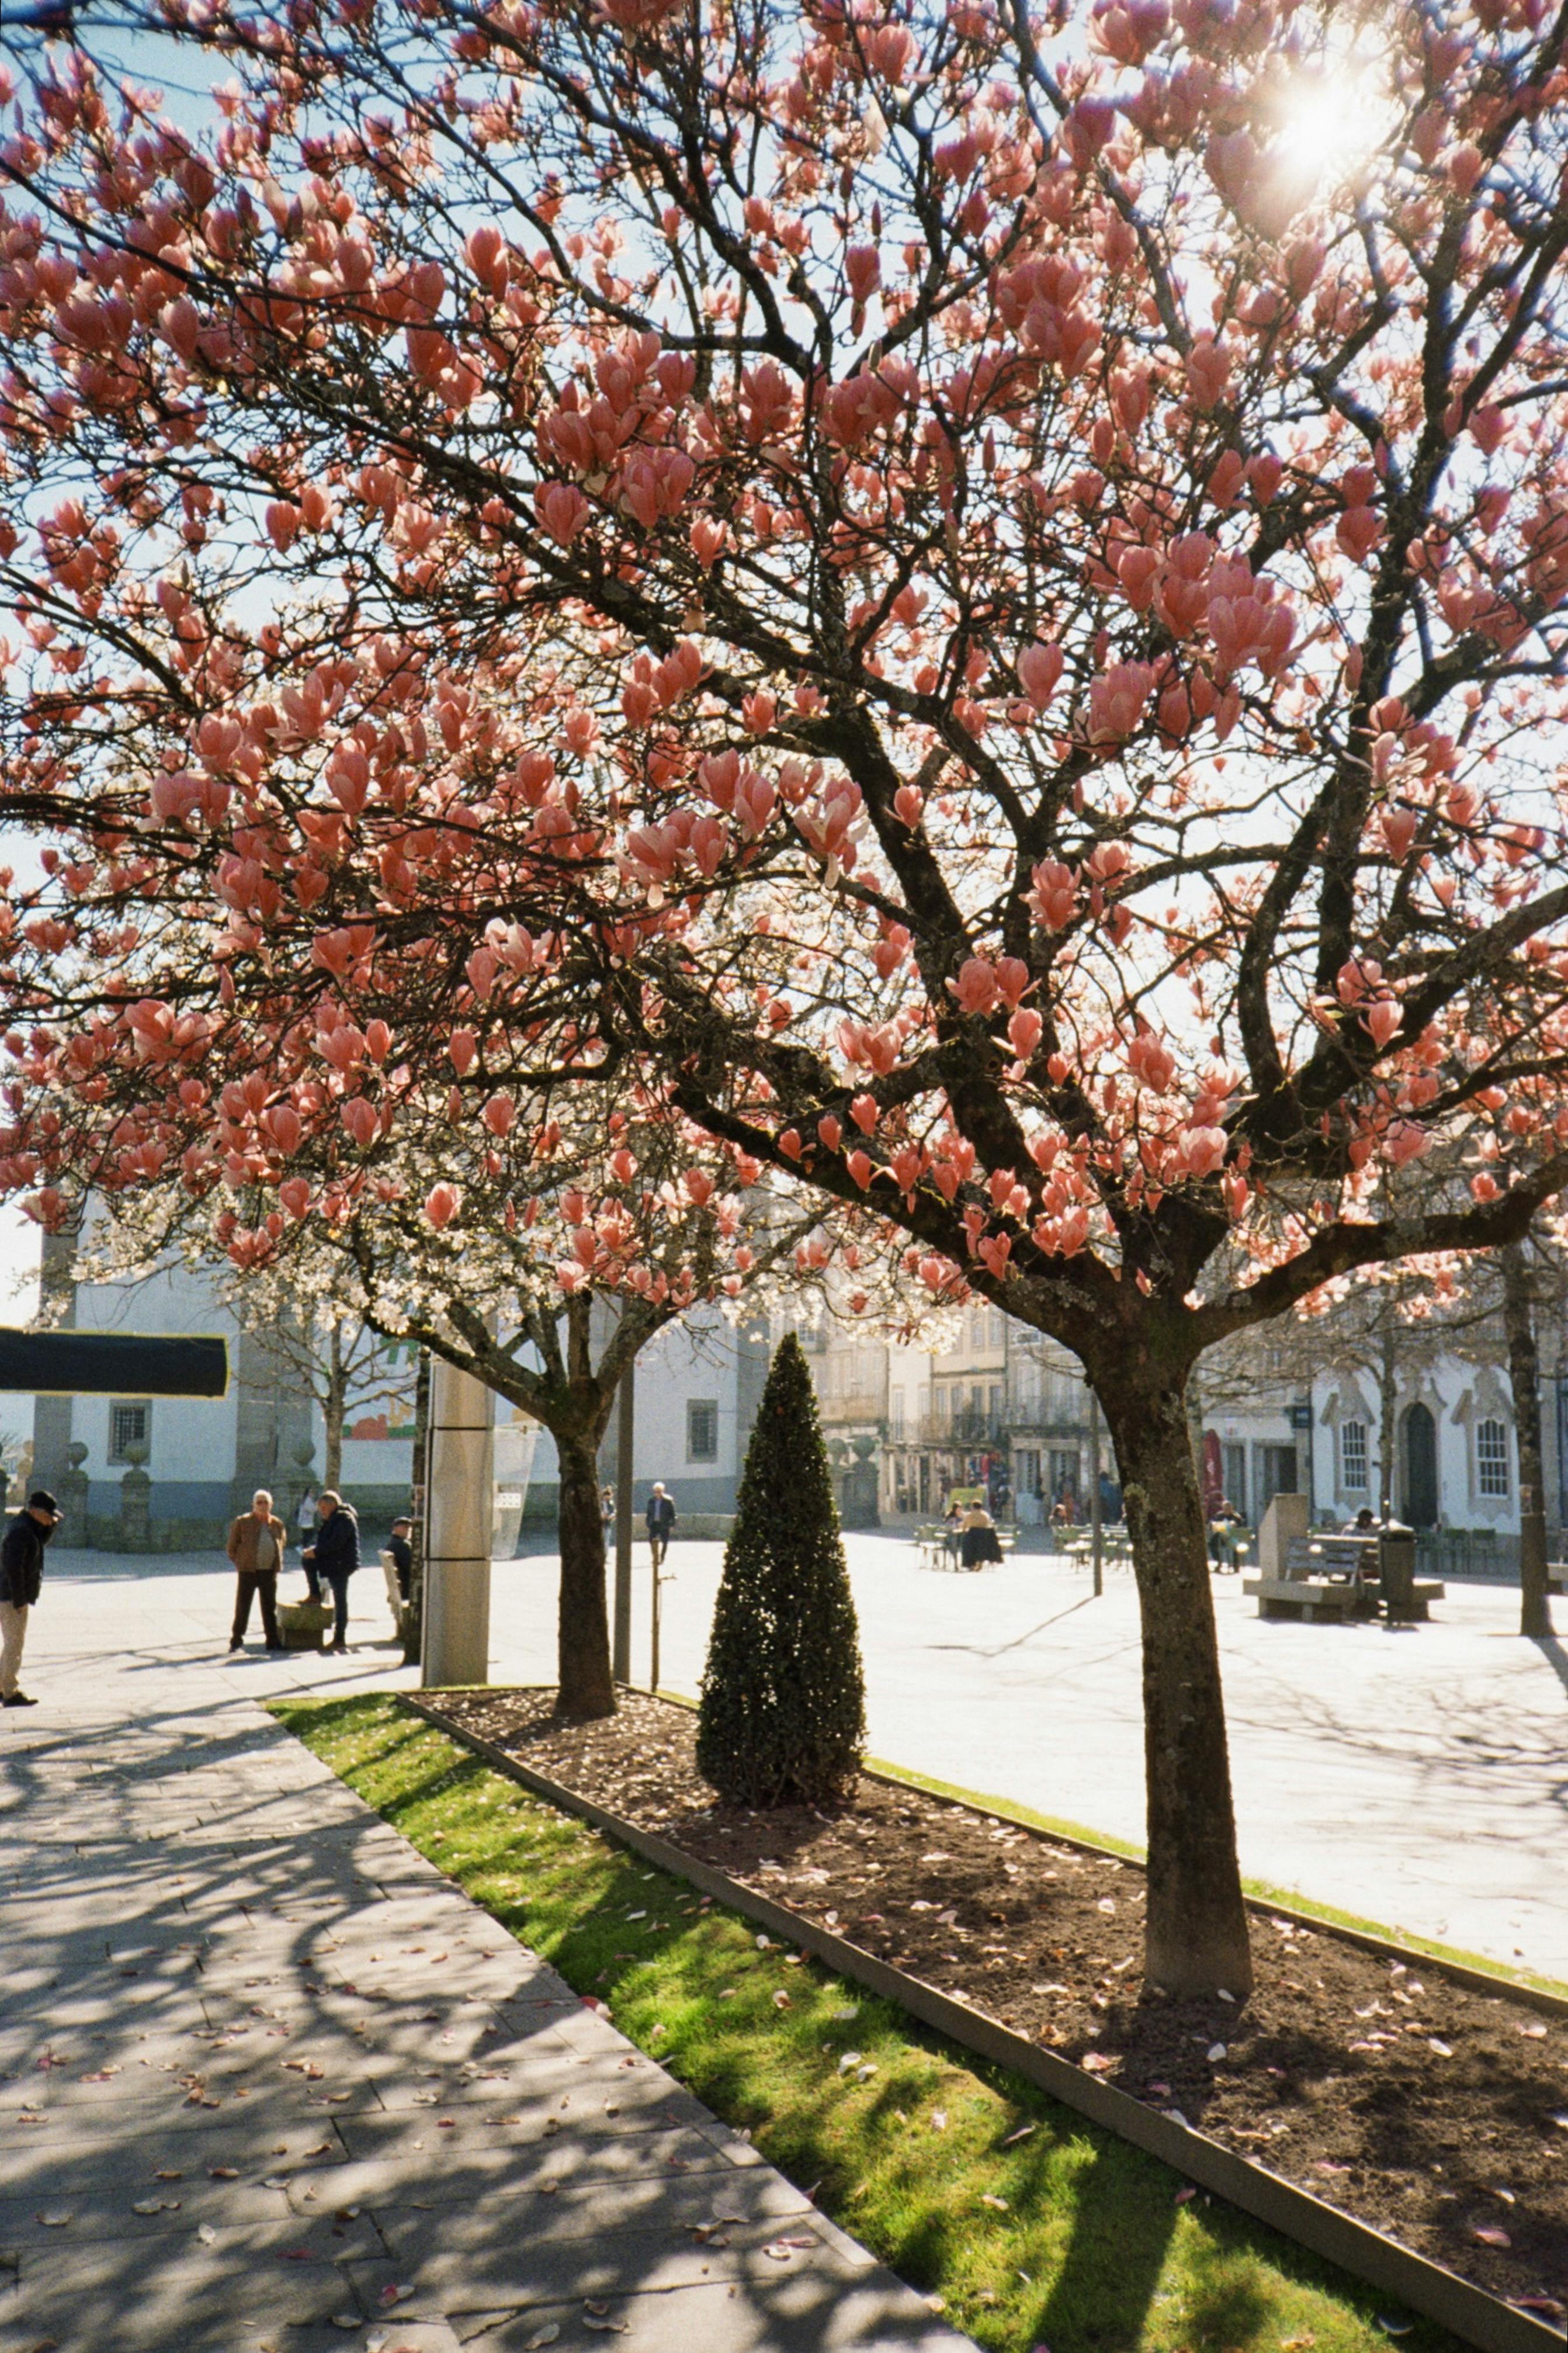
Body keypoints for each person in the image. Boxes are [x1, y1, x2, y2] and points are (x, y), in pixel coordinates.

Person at [0, 1489, 60, 1707]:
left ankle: (3, 1686)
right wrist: (19, 1600)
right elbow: (13, 1568)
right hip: (9, 1596)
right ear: (37, 1512)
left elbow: (40, 1540)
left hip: (9, 1594)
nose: (50, 1519)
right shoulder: (22, 1532)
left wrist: (51, 1525)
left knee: (11, 1644)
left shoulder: (24, 1526)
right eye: (49, 1515)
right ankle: (10, 1692)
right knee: (14, 1644)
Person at [226, 1488, 287, 1654]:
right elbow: (232, 1547)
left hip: (269, 1572)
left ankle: (272, 1640)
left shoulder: (277, 1524)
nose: (263, 1505)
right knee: (243, 1606)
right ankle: (237, 1639)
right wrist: (241, 1563)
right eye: (259, 1502)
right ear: (253, 1505)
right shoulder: (243, 1522)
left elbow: (282, 1543)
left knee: (269, 1607)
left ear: (271, 1505)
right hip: (248, 1572)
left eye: (266, 1502)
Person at [301, 1489, 360, 1653]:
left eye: (323, 1507)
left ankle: (339, 1637)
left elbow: (336, 1543)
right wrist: (314, 1550)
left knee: (340, 1600)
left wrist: (317, 1551)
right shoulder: (333, 1518)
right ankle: (315, 1594)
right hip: (333, 1560)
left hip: (341, 1563)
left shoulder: (344, 1519)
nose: (321, 1511)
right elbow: (327, 1540)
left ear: (333, 1505)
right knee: (307, 1560)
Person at [960, 1499, 1002, 1569]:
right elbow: (990, 1525)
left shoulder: (969, 1515)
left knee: (965, 1543)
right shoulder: (986, 1515)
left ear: (973, 1507)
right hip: (984, 1538)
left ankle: (971, 1564)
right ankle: (980, 1562)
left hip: (972, 1537)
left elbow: (964, 1527)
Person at [646, 1482, 675, 1572]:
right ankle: (655, 1557)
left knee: (665, 1542)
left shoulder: (668, 1501)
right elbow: (649, 1513)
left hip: (664, 1524)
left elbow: (673, 1514)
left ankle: (662, 1558)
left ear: (663, 1491)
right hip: (654, 1524)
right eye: (656, 1491)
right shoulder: (651, 1501)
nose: (657, 1493)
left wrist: (672, 1524)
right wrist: (648, 1522)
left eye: (659, 1491)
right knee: (651, 1540)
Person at [386, 1516, 413, 1603]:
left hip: (399, 1586)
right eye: (405, 1527)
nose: (408, 1529)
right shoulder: (402, 1545)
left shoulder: (392, 1543)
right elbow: (410, 1567)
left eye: (409, 1527)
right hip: (406, 1588)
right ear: (396, 1528)